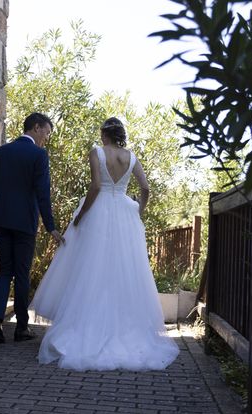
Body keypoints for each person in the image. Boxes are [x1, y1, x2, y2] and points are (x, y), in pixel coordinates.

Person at [31, 117, 179, 370]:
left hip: (98, 212)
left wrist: (80, 216)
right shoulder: (131, 157)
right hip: (125, 213)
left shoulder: (97, 152)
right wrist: (138, 212)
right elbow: (145, 189)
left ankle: (86, 327)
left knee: (90, 269)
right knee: (123, 273)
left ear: (104, 135)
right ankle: (123, 328)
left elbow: (96, 186)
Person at [0, 113, 64, 343]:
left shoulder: (2, 151)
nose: (47, 138)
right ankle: (21, 328)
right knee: (21, 273)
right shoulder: (38, 155)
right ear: (36, 127)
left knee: (5, 270)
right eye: (47, 132)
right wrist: (51, 227)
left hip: (1, 218)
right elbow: (43, 193)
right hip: (24, 223)